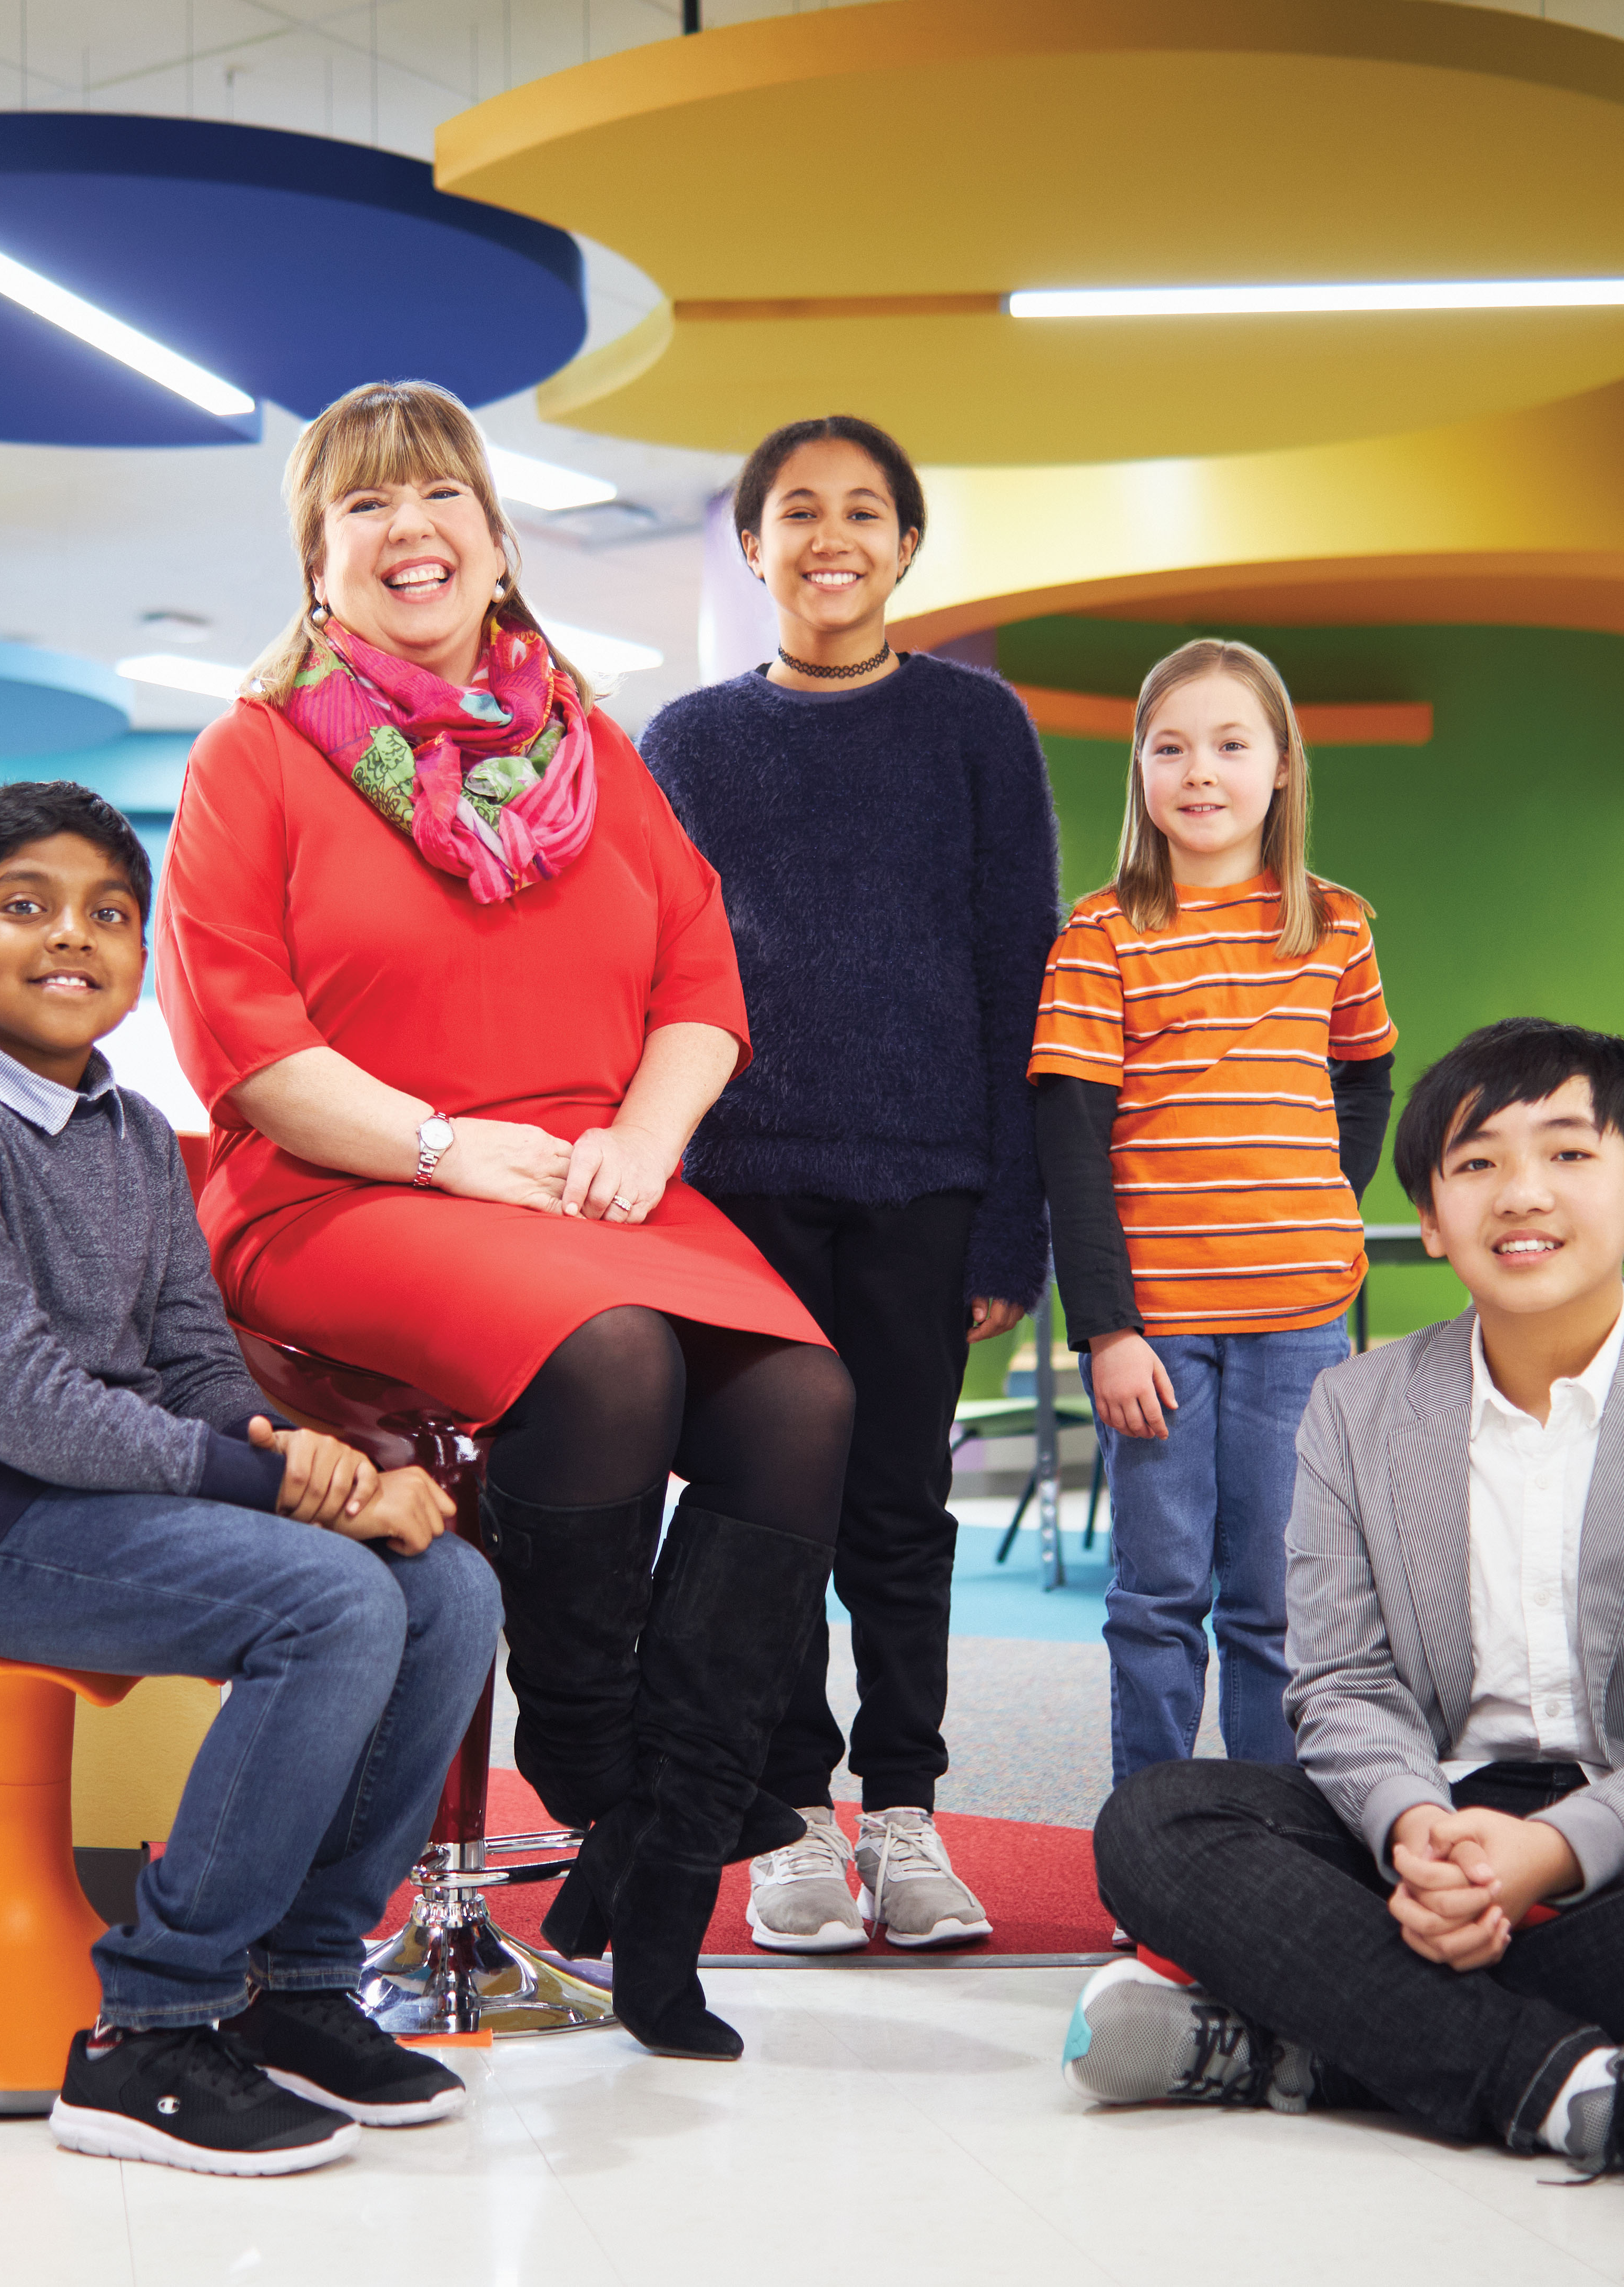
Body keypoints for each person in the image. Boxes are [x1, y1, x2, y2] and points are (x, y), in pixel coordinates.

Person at [156, 379, 854, 2062]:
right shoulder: (254, 757)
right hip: (355, 1180)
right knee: (609, 1357)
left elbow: (701, 978)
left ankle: (666, 1869)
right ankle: (600, 1768)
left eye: (439, 495)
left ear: (493, 531)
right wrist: (445, 1144)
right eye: (365, 507)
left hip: (599, 1174)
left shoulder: (594, 751)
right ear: (318, 560)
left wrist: (643, 1126)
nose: (411, 529)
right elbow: (241, 1042)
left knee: (803, 1396)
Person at [1067, 1020, 1624, 2203]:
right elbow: (1344, 1685)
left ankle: (1308, 2045)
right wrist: (1418, 1829)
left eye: (1568, 1154)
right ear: (1429, 1218)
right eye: (1475, 1163)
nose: (1521, 1193)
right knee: (1155, 1820)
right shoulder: (1355, 1406)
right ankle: (1582, 2090)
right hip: (1432, 1818)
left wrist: (1552, 1855)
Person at [0, 782, 494, 2177]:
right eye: (26, 905)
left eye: (109, 913)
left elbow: (192, 1361)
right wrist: (306, 1493)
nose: (75, 937)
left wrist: (301, 1465)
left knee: (452, 1589)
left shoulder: (124, 1124)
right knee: (335, 1602)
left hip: (86, 1496)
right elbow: (25, 1408)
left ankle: (300, 1986)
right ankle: (154, 2026)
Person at [640, 414, 1059, 1952]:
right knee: (764, 1513)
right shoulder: (688, 741)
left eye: (864, 510)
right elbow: (652, 974)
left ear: (905, 545)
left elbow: (1025, 972)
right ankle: (792, 1820)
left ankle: (906, 1811)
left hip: (926, 1181)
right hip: (740, 1187)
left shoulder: (976, 726)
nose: (831, 535)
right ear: (751, 546)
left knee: (899, 1508)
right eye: (796, 511)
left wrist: (1015, 1215)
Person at [1029, 638, 1397, 1786]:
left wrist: (1327, 1194)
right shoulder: (1101, 935)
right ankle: (1153, 1836)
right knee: (1158, 1593)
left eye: (1231, 744)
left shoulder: (1335, 924)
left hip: (1300, 1322)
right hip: (1159, 1334)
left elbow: (1367, 1073)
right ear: (1138, 769)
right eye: (1170, 745)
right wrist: (1106, 1327)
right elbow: (1069, 1145)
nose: (1201, 770)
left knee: (1278, 1601)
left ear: (1281, 765)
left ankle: (1270, 1842)